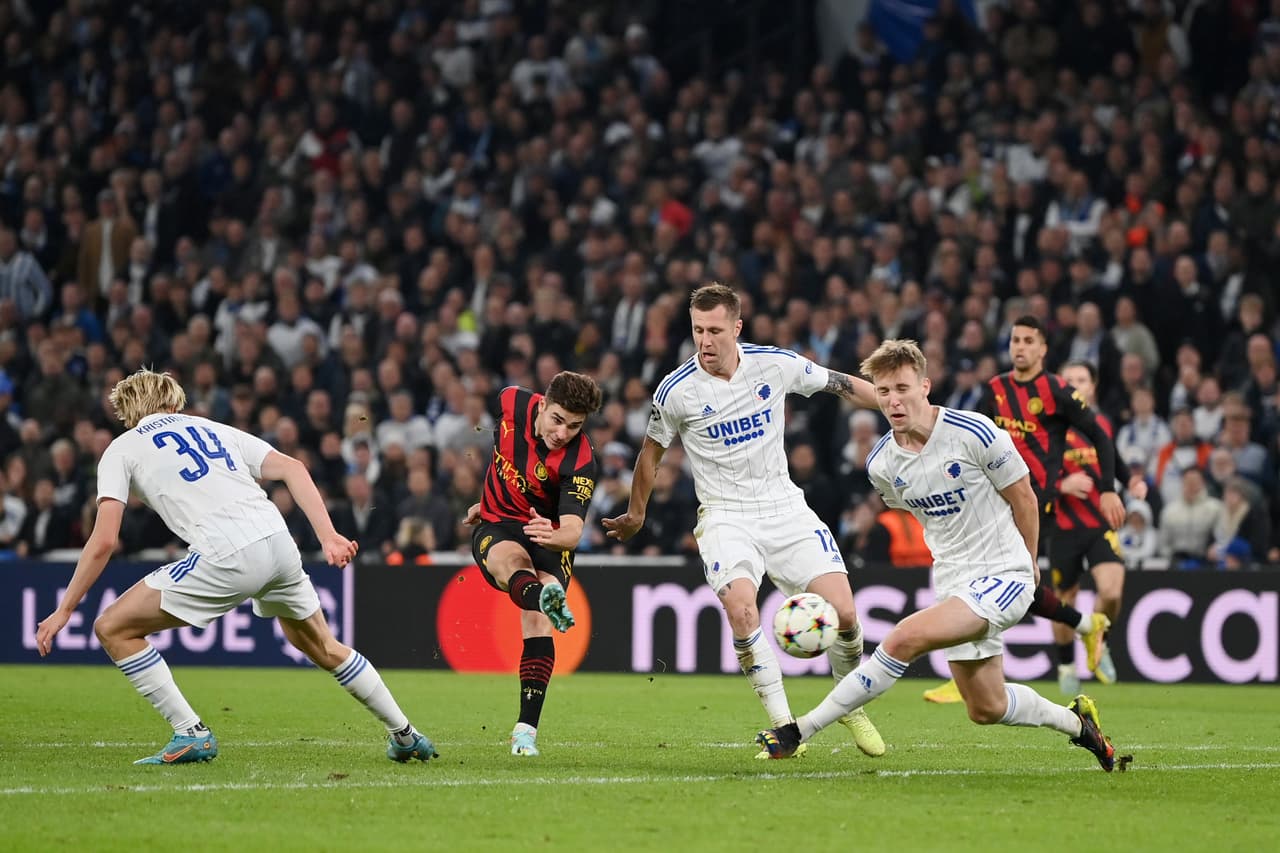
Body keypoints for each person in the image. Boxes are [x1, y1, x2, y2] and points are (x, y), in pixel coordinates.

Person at [34, 369, 436, 765]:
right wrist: (328, 536)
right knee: (325, 647)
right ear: (173, 403)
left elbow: (105, 540)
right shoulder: (212, 428)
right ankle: (405, 734)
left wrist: (65, 609)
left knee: (112, 628)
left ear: (127, 413)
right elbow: (293, 468)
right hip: (278, 541)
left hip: (225, 551)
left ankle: (191, 732)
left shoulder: (121, 448)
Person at [756, 340, 1117, 773]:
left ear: (924, 387)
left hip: (1005, 573)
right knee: (986, 706)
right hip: (952, 582)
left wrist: (1029, 563)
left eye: (902, 388)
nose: (893, 400)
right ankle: (1079, 724)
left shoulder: (975, 432)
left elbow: (1023, 497)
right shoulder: (881, 464)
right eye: (883, 391)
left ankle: (798, 731)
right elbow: (917, 511)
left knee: (903, 639)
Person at [603, 283, 885, 760]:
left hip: (785, 508)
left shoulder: (775, 365)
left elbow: (841, 384)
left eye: (715, 330)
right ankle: (784, 728)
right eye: (698, 330)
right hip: (725, 517)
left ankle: (849, 705)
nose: (705, 341)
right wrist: (636, 512)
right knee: (742, 611)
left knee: (846, 615)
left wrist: (901, 407)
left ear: (737, 327)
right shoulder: (676, 390)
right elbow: (651, 453)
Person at [922, 315, 1125, 703]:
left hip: (1034, 504)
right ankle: (1086, 625)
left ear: (1043, 348)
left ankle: (970, 669)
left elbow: (1100, 435)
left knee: (994, 581)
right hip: (994, 499)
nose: (1020, 347)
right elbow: (969, 435)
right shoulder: (995, 389)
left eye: (1029, 340)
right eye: (1016, 339)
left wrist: (1108, 490)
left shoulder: (1057, 390)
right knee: (1006, 585)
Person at [463, 371, 602, 757]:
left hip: (548, 534)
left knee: (538, 622)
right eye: (557, 420)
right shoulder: (511, 400)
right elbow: (502, 450)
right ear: (542, 405)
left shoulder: (580, 459)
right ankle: (544, 597)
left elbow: (573, 531)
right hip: (499, 525)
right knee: (512, 562)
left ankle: (525, 732)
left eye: (574, 426)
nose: (563, 433)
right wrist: (485, 501)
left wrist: (552, 534)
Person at [1050, 360, 1143, 690]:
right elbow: (1029, 475)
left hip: (1099, 525)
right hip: (1062, 527)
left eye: (1082, 379)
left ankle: (1099, 641)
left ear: (1092, 387)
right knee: (1065, 600)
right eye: (1069, 379)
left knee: (1112, 592)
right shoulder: (1047, 429)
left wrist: (1131, 481)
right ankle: (1066, 667)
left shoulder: (1100, 423)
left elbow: (1112, 458)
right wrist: (1062, 485)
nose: (1075, 385)